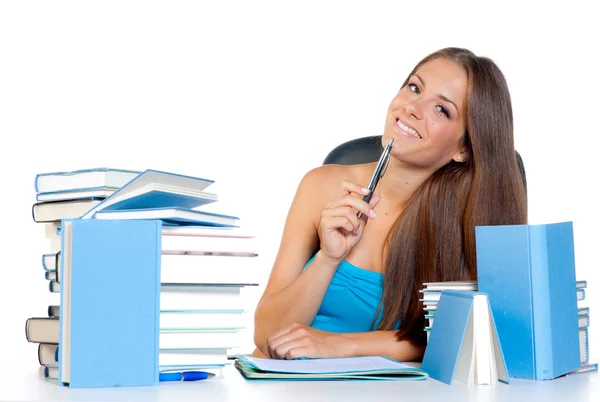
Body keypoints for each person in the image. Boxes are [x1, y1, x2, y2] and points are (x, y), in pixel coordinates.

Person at [252, 47, 528, 362]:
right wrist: (329, 258)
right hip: (290, 384)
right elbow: (266, 335)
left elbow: (474, 335)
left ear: (464, 149)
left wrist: (343, 345)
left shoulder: (466, 219)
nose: (412, 108)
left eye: (441, 109)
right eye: (414, 87)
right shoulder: (322, 186)